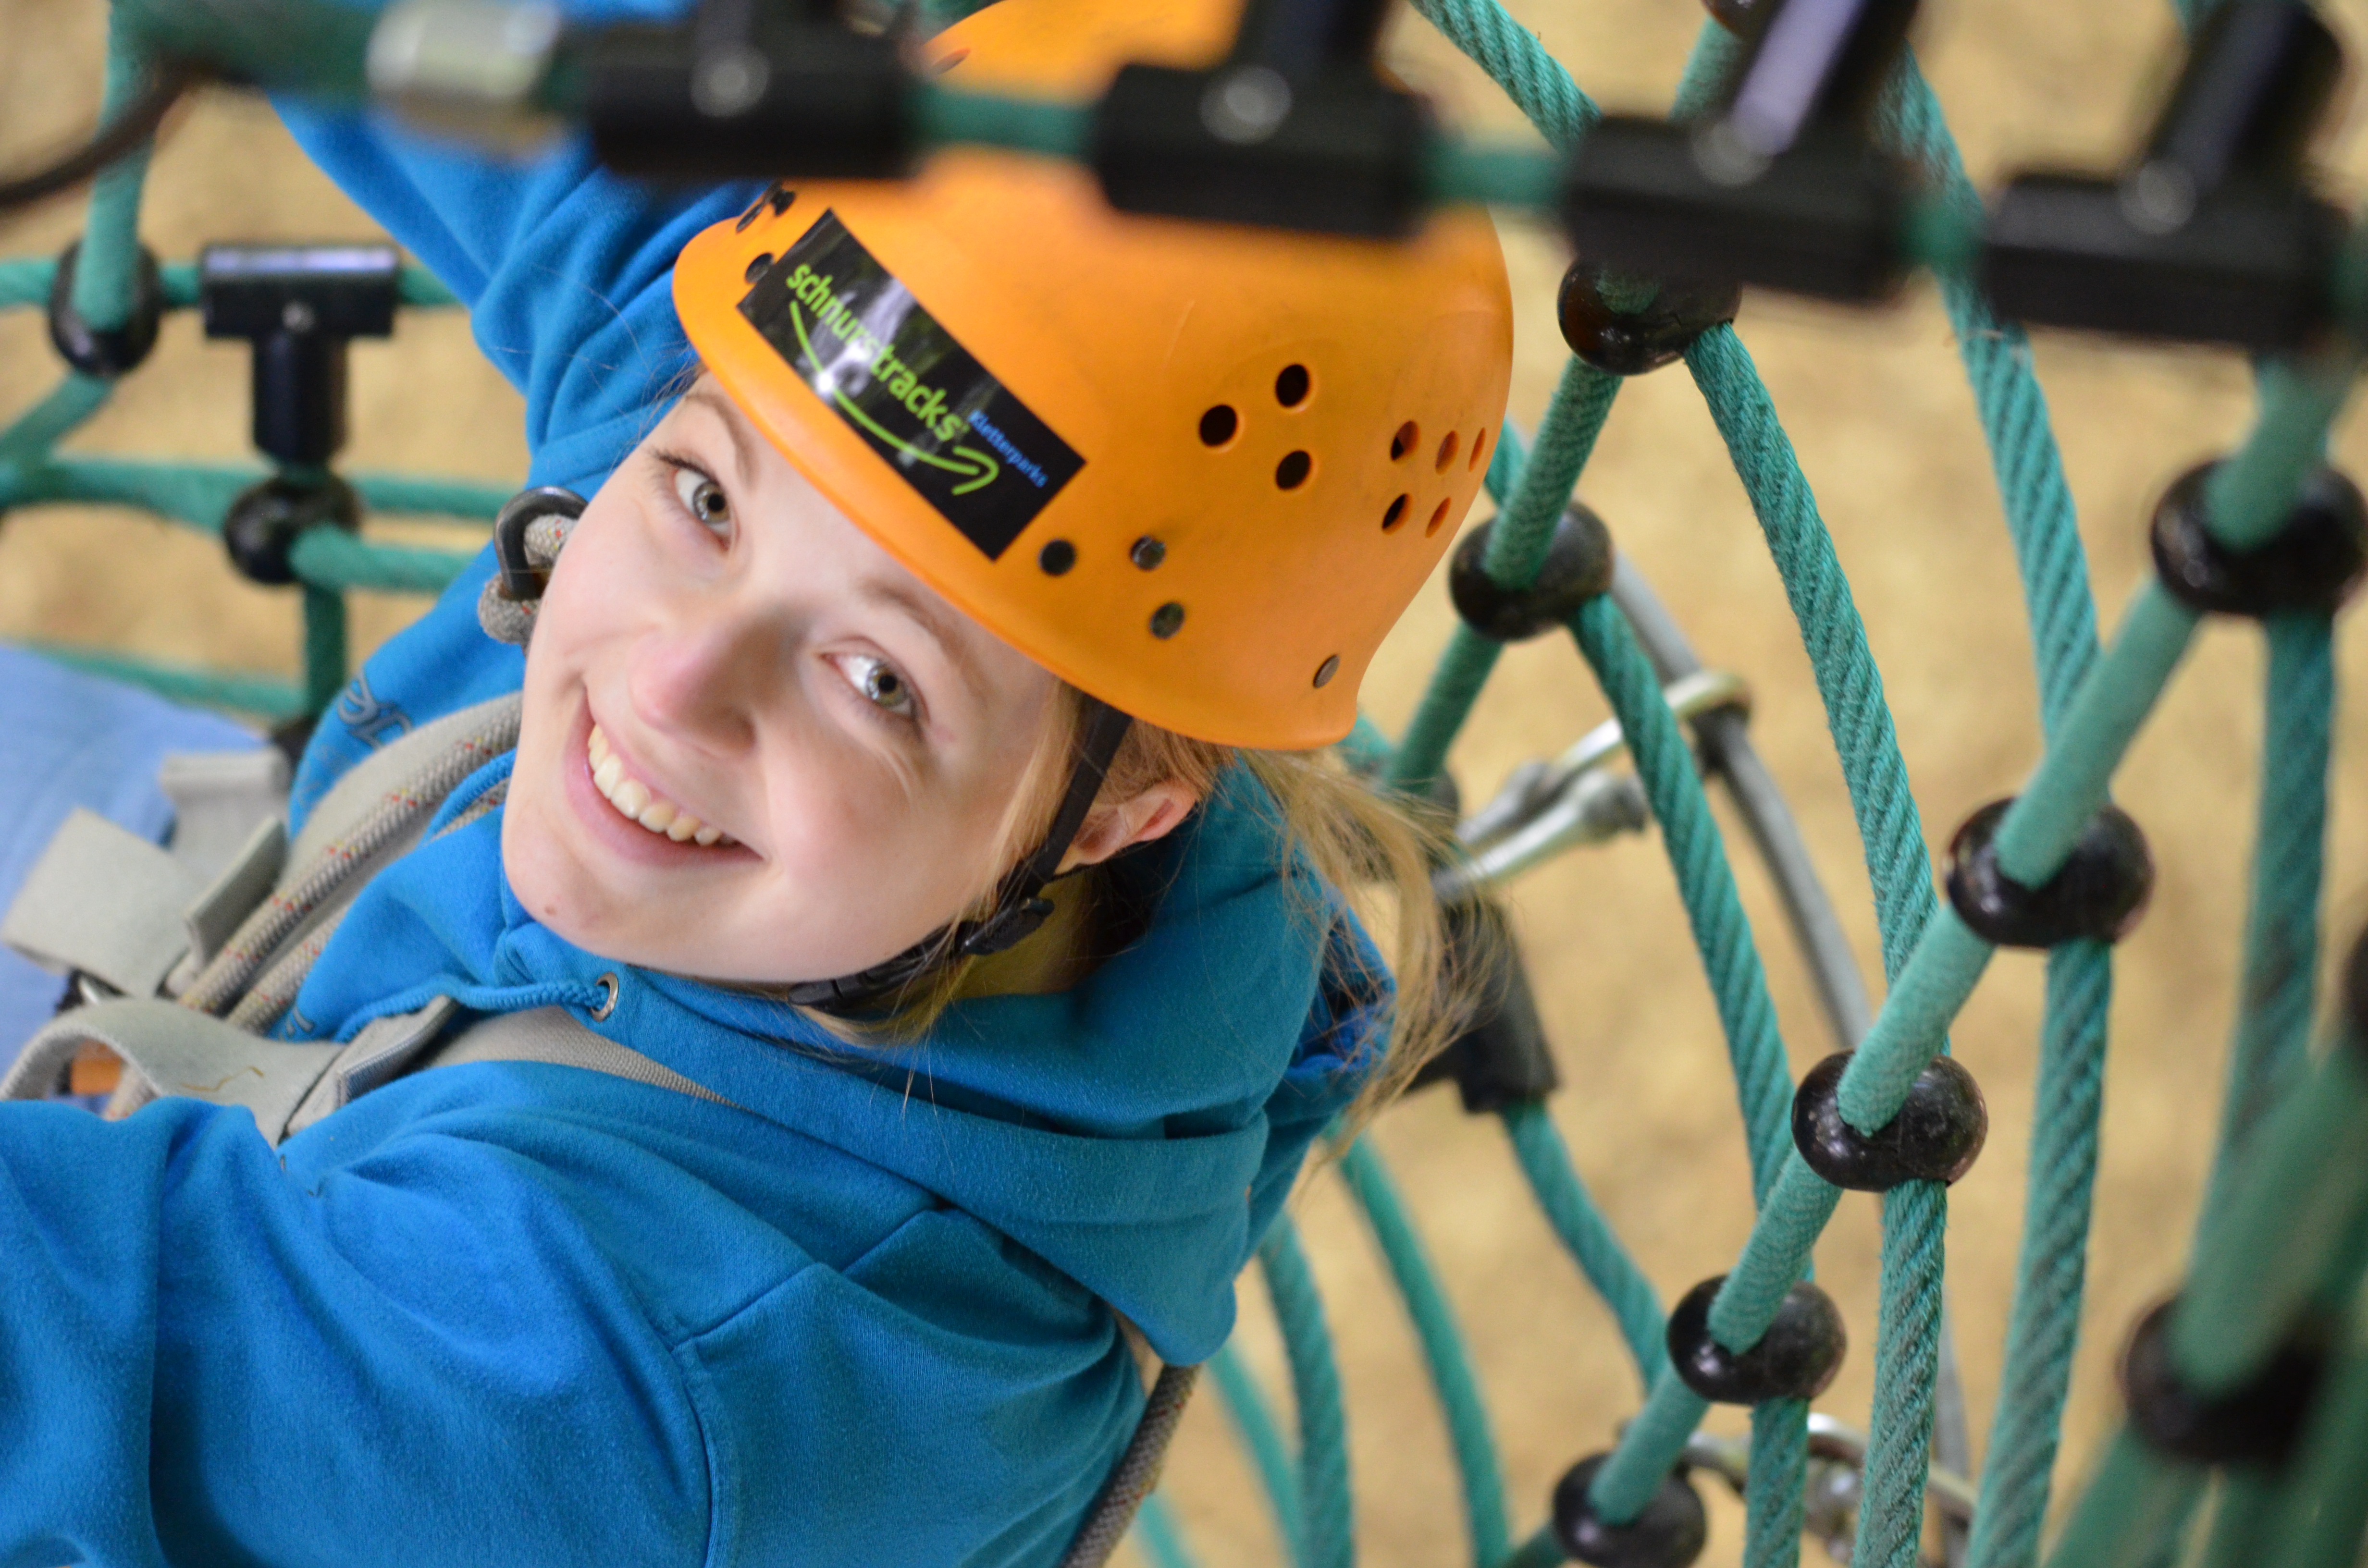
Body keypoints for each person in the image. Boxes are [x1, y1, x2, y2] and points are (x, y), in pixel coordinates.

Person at [0, 0, 1512, 1559]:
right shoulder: (845, 423)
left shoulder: (630, 1371)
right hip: (248, 980)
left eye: (877, 682)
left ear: (1131, 808)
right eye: (704, 499)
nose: (665, 683)